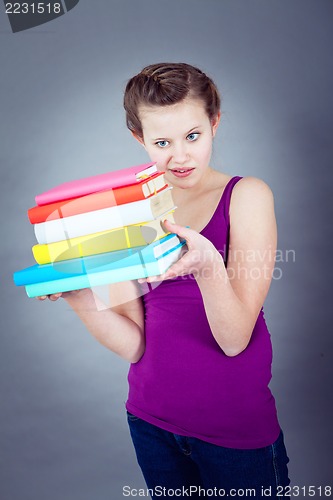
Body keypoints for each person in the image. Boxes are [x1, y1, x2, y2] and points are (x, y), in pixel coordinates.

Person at [38, 62, 290, 498]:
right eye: (161, 142)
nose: (179, 156)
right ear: (140, 140)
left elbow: (234, 340)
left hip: (235, 436)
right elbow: (135, 345)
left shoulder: (247, 195)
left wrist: (207, 265)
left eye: (193, 136)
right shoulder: (130, 210)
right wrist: (78, 294)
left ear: (214, 123)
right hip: (152, 426)